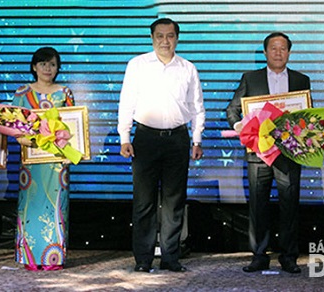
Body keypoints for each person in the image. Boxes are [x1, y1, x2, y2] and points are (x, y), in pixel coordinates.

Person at [117, 18, 205, 273]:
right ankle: (143, 259)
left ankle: (170, 257)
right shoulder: (137, 65)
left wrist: (197, 138)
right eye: (159, 36)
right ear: (152, 38)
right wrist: (124, 137)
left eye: (170, 36)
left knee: (174, 201)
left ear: (177, 38)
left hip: (178, 139)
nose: (165, 41)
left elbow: (197, 107)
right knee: (143, 202)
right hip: (145, 139)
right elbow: (126, 102)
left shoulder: (188, 68)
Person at [226, 32, 310, 274]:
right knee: (258, 205)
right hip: (258, 153)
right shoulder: (250, 78)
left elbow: (307, 114)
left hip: (289, 154)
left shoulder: (301, 80)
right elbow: (232, 110)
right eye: (273, 48)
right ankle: (259, 256)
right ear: (265, 52)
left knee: (290, 206)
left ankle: (289, 256)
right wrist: (239, 126)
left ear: (289, 52)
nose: (278, 52)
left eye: (283, 48)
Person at [13, 47, 75, 271]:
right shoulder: (22, 94)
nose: (47, 69)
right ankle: (30, 257)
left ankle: (54, 257)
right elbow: (13, 125)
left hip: (58, 162)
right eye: (43, 64)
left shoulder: (65, 93)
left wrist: (70, 151)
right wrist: (22, 140)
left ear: (58, 68)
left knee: (57, 207)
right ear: (33, 67)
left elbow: (72, 126)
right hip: (31, 161)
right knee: (31, 206)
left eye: (52, 64)